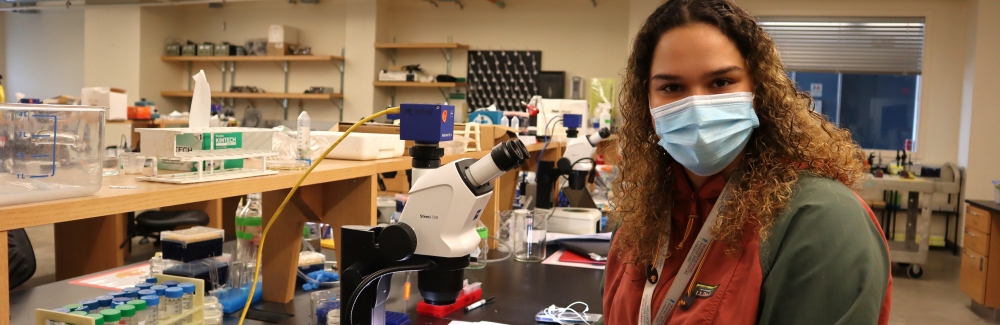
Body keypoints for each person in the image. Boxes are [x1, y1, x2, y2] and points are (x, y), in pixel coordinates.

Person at [601, 0, 892, 324]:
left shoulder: (824, 220)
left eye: (721, 82)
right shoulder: (642, 218)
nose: (697, 106)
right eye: (672, 87)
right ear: (647, 102)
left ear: (759, 90)